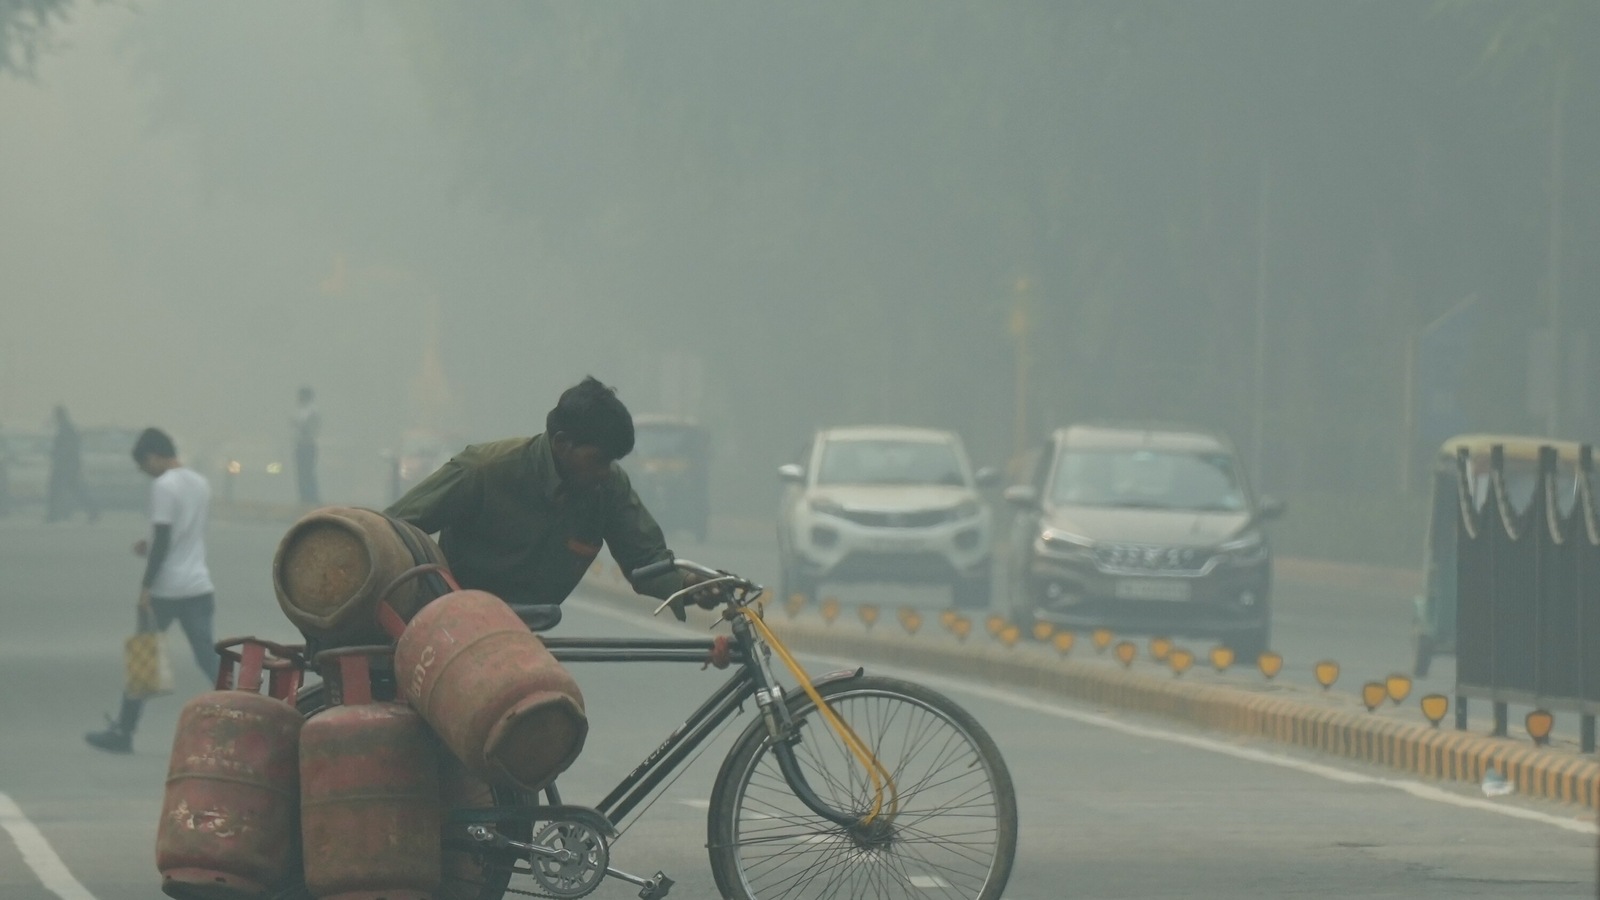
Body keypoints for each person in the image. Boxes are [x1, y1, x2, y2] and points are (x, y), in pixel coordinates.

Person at [386, 376, 720, 621]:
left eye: (612, 462)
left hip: (522, 632)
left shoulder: (608, 488)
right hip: (448, 625)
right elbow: (393, 532)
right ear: (562, 444)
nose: (606, 472)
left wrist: (689, 583)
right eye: (599, 460)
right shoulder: (484, 470)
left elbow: (645, 560)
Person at [84, 428, 220, 754]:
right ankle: (252, 713)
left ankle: (124, 732)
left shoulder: (163, 486)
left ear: (154, 456)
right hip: (199, 586)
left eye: (143, 465)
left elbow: (162, 538)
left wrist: (145, 586)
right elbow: (181, 536)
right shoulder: (200, 483)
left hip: (166, 590)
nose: (143, 472)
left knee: (144, 659)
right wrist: (152, 546)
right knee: (210, 660)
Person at [45, 404, 98, 523]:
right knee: (68, 490)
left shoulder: (66, 429)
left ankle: (53, 515)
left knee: (59, 490)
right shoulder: (67, 428)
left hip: (65, 467)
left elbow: (68, 449)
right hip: (67, 466)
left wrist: (57, 456)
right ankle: (92, 511)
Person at [292, 386, 321, 505]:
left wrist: (300, 426)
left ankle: (311, 498)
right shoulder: (299, 410)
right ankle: (303, 498)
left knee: (308, 472)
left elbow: (312, 429)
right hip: (299, 444)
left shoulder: (313, 411)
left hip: (308, 445)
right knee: (300, 472)